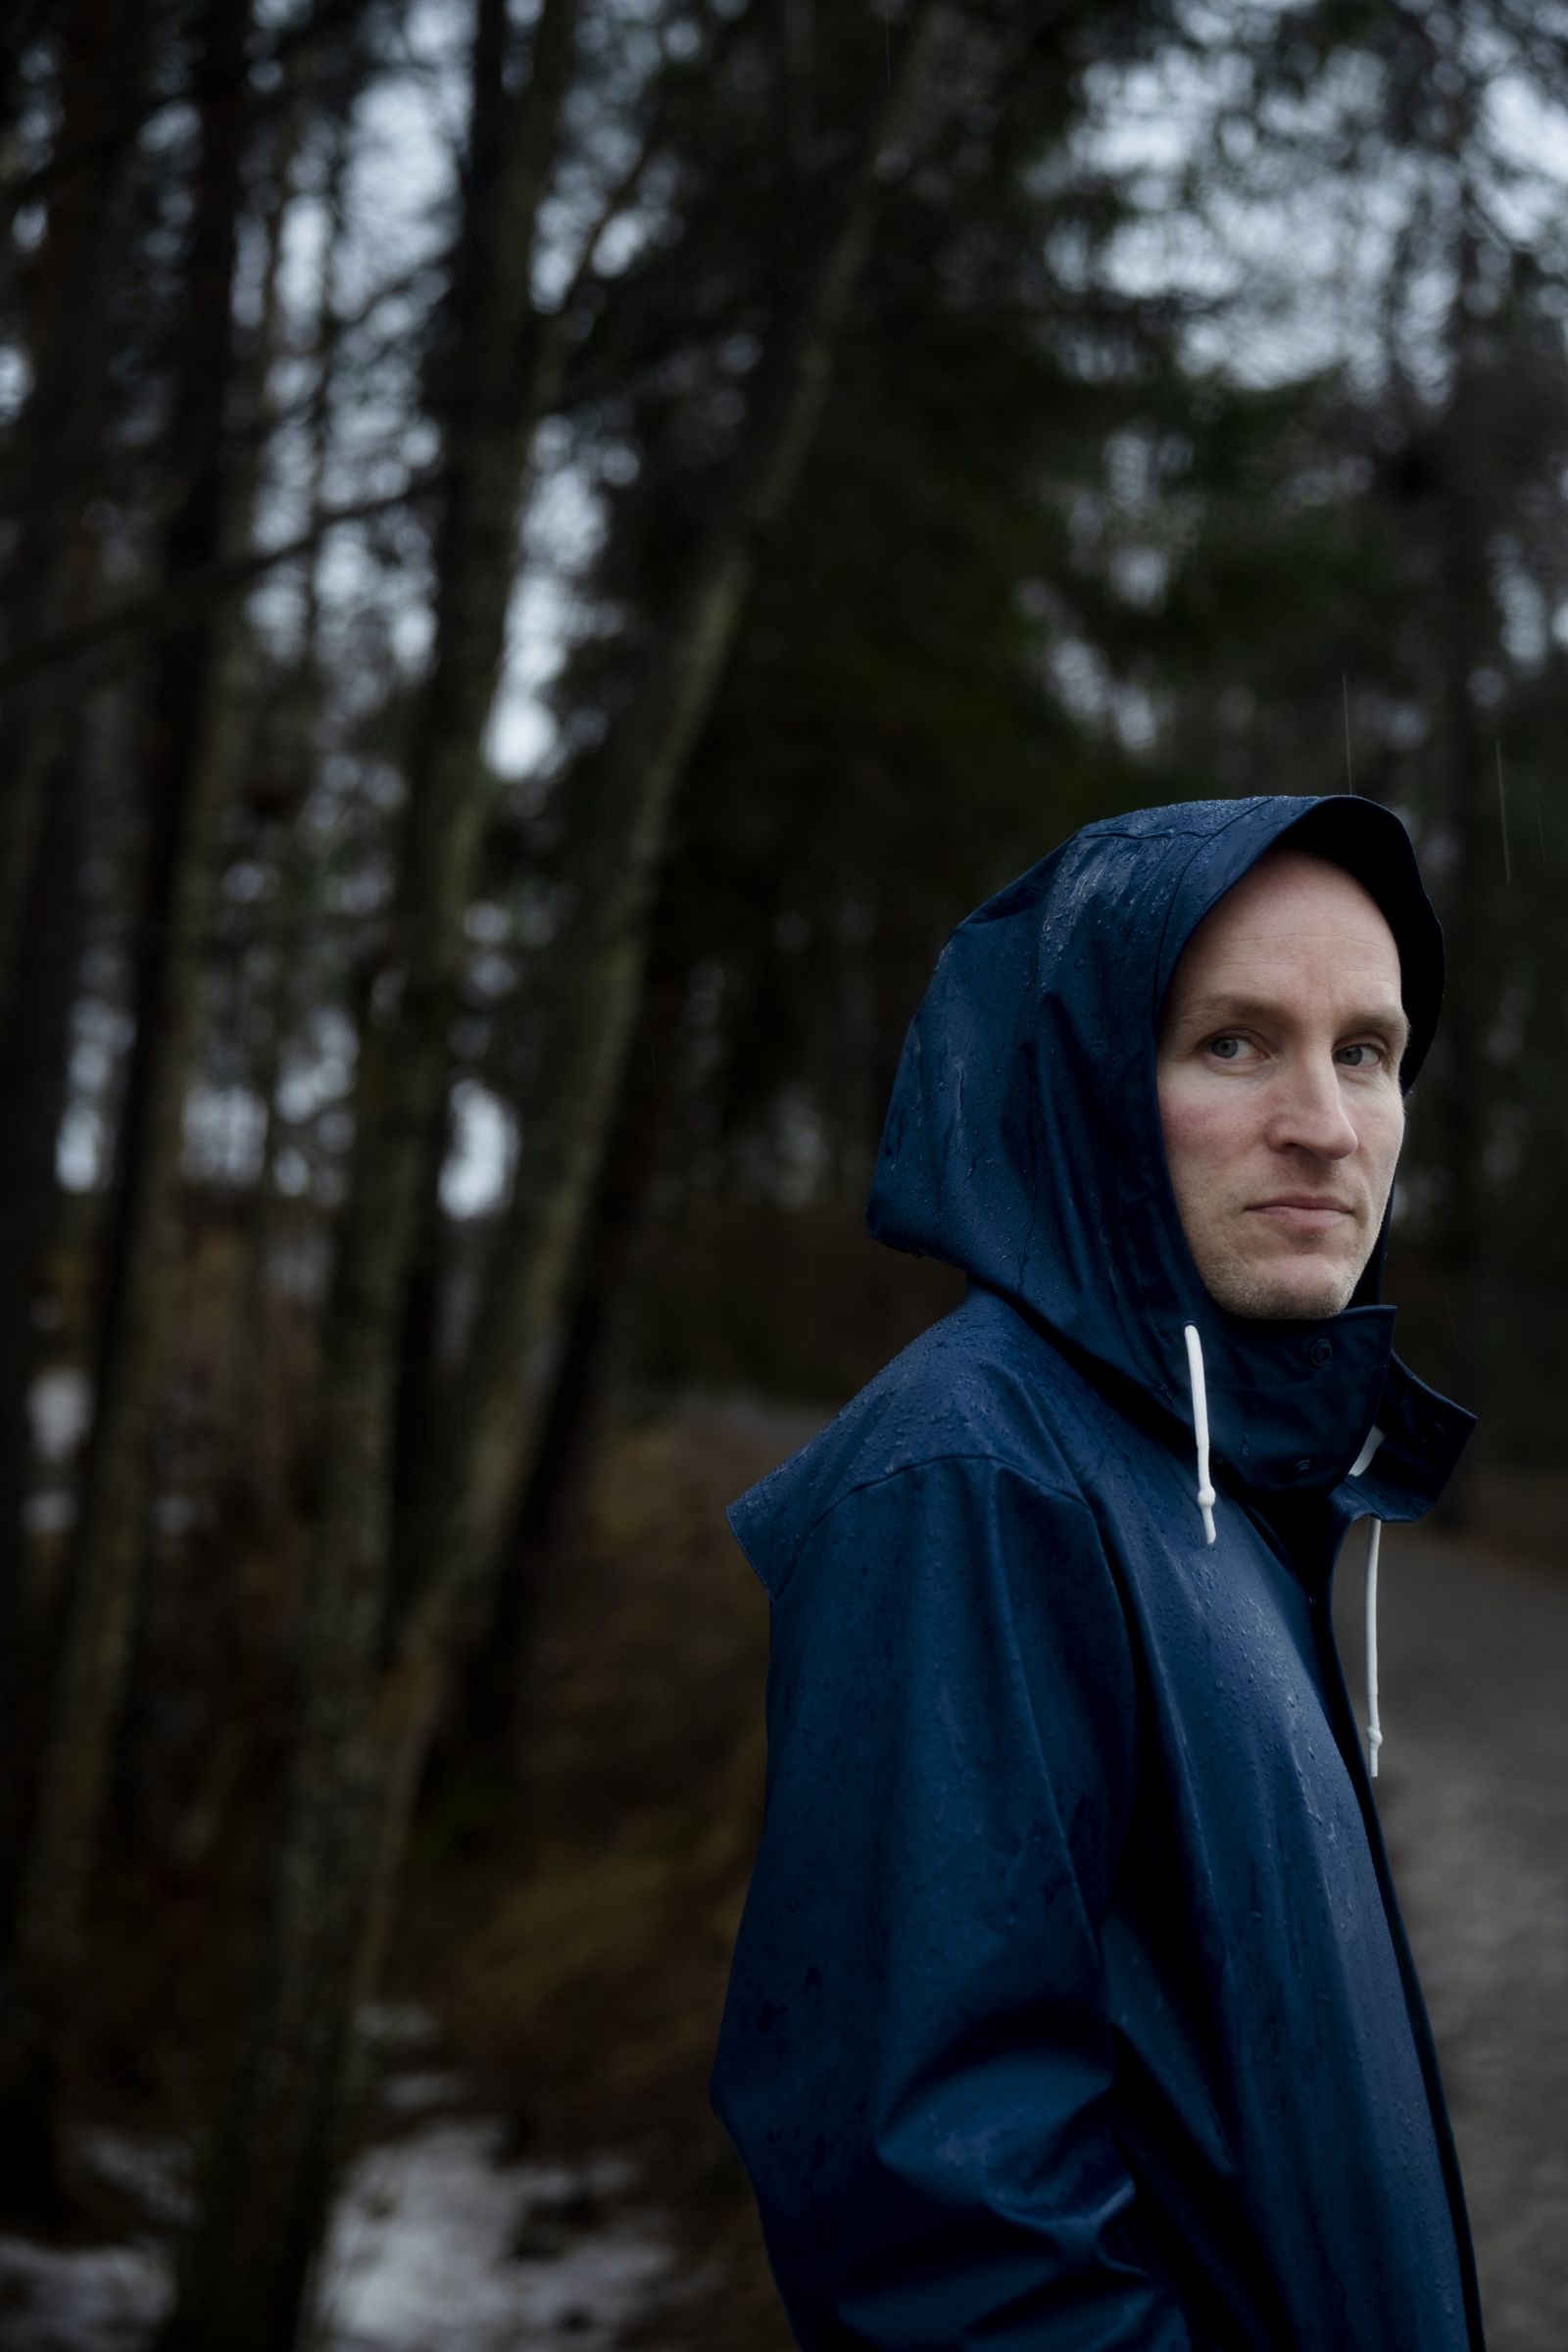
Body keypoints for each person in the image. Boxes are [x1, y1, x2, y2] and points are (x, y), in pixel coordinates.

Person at [710, 795, 1484, 2351]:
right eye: (1234, 1044)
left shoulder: (1222, 1480)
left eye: (1365, 1052)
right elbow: (948, 2236)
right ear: (1090, 1089)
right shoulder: (976, 1480)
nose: (1327, 1125)